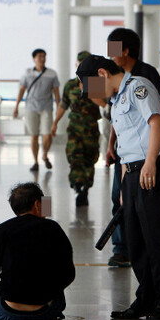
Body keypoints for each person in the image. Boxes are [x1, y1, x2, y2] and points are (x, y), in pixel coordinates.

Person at [77, 55, 160, 320]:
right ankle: (145, 299)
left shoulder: (139, 87)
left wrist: (149, 164)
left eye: (89, 88)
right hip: (132, 173)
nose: (91, 96)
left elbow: (156, 123)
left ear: (101, 74)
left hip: (153, 168)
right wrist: (124, 185)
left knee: (156, 238)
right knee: (136, 241)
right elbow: (126, 146)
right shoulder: (116, 101)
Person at [105, 27, 160, 268]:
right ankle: (121, 248)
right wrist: (111, 142)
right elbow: (117, 113)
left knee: (145, 208)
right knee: (119, 197)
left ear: (126, 50)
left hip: (147, 155)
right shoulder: (115, 77)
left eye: (114, 50)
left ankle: (140, 249)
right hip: (126, 152)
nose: (111, 55)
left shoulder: (145, 74)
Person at [0, 182, 75, 320]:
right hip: (45, 312)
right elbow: (68, 273)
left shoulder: (1, 231)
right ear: (38, 204)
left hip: (7, 311)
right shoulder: (54, 228)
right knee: (58, 290)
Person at [51, 51, 101, 207]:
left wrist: (89, 87)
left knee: (89, 159)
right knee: (74, 157)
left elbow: (104, 105)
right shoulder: (70, 85)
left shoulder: (96, 83)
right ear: (76, 64)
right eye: (79, 63)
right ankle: (78, 186)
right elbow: (63, 105)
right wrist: (55, 122)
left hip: (91, 128)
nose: (81, 65)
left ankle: (85, 187)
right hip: (74, 128)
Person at [14, 49, 60, 171]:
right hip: (31, 107)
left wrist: (58, 107)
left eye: (44, 56)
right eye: (39, 56)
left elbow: (56, 91)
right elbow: (22, 90)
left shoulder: (52, 73)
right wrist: (16, 106)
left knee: (47, 134)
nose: (42, 59)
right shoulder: (27, 73)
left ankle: (44, 155)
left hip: (46, 107)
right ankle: (35, 161)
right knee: (34, 135)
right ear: (34, 58)